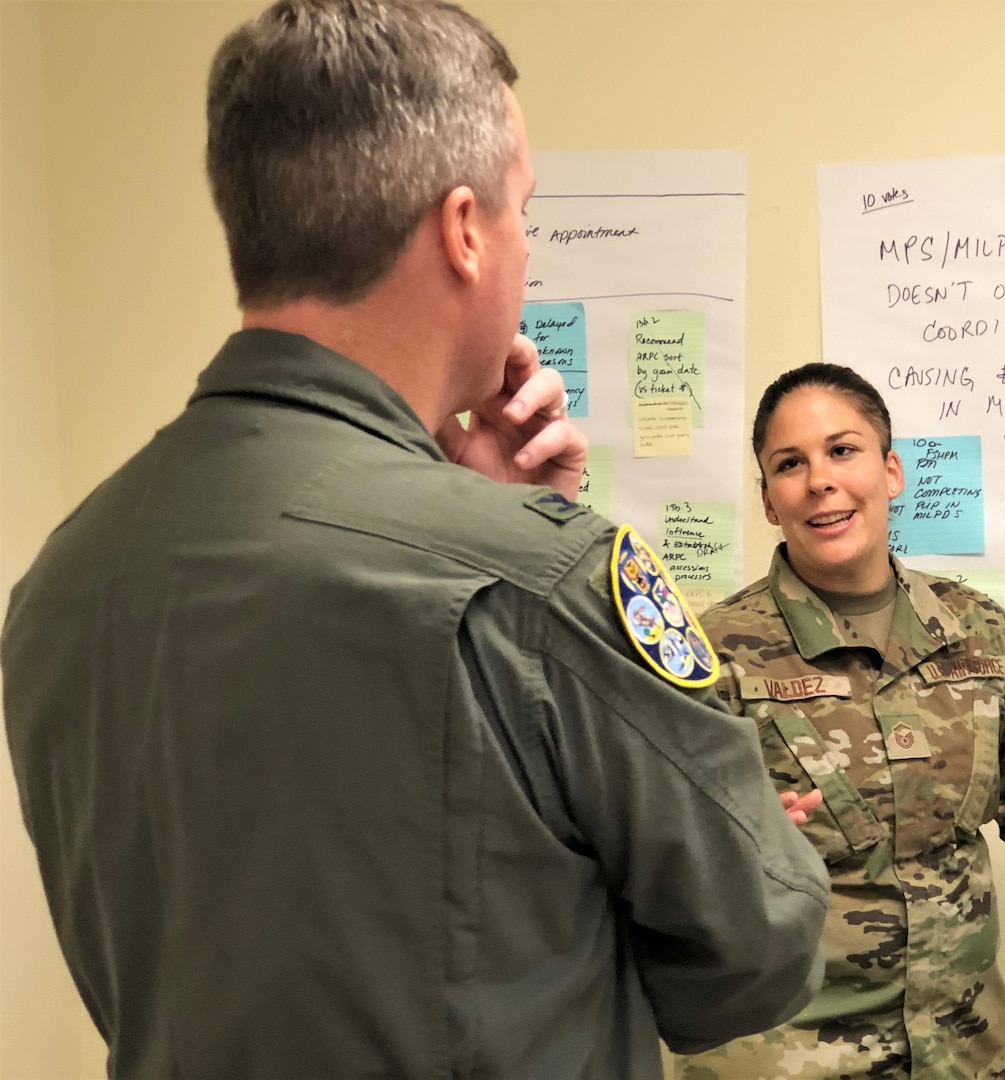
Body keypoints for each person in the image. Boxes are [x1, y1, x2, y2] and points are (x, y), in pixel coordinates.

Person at [0, 3, 830, 1078]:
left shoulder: (64, 578)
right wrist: (517, 532)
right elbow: (753, 955)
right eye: (523, 211)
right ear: (464, 231)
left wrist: (465, 509)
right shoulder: (544, 574)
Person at [676, 363, 1005, 1080]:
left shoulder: (977, 633)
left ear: (891, 472)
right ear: (767, 500)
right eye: (791, 464)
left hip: (961, 1054)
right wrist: (732, 859)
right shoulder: (709, 656)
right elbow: (650, 876)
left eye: (842, 450)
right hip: (780, 1057)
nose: (820, 479)